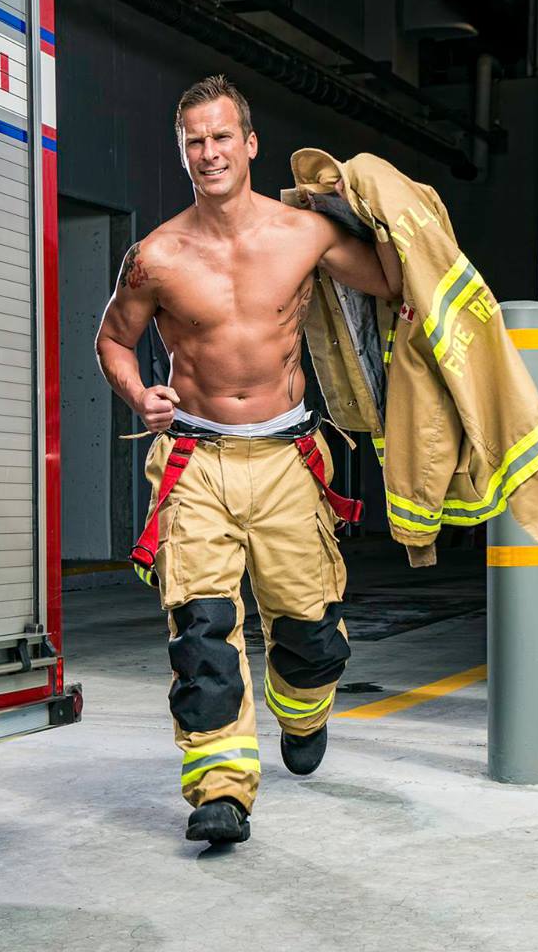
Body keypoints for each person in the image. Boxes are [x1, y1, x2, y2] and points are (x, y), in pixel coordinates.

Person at [95, 74, 402, 845]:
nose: (209, 153)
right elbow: (113, 340)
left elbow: (393, 281)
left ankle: (302, 707)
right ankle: (220, 789)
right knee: (200, 633)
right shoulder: (156, 255)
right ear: (182, 152)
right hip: (193, 461)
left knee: (309, 632)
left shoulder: (304, 235)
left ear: (250, 143)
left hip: (287, 460)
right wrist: (138, 395)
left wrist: (374, 210)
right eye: (194, 141)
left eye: (221, 137)